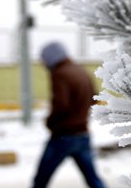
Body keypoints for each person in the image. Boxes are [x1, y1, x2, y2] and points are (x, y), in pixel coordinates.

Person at [32, 42, 106, 188]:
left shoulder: (60, 74)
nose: (44, 64)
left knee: (41, 179)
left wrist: (50, 122)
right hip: (83, 134)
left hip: (63, 137)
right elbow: (94, 98)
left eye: (44, 60)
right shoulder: (81, 71)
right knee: (93, 179)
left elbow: (61, 105)